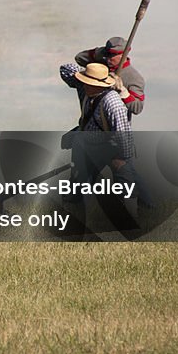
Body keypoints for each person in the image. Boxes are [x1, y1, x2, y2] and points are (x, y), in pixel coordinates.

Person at [60, 61, 149, 235]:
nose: (84, 84)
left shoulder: (113, 103)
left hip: (112, 147)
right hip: (87, 145)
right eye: (85, 81)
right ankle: (74, 222)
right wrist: (92, 67)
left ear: (99, 85)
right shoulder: (84, 88)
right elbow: (65, 69)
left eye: (89, 82)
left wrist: (121, 159)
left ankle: (131, 224)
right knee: (76, 185)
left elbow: (124, 135)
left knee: (126, 185)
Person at [75, 36, 145, 118]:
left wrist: (123, 92)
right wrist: (100, 52)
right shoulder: (102, 65)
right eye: (107, 54)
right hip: (88, 120)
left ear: (123, 54)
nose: (108, 58)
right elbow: (79, 58)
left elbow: (137, 108)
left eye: (112, 54)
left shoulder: (134, 78)